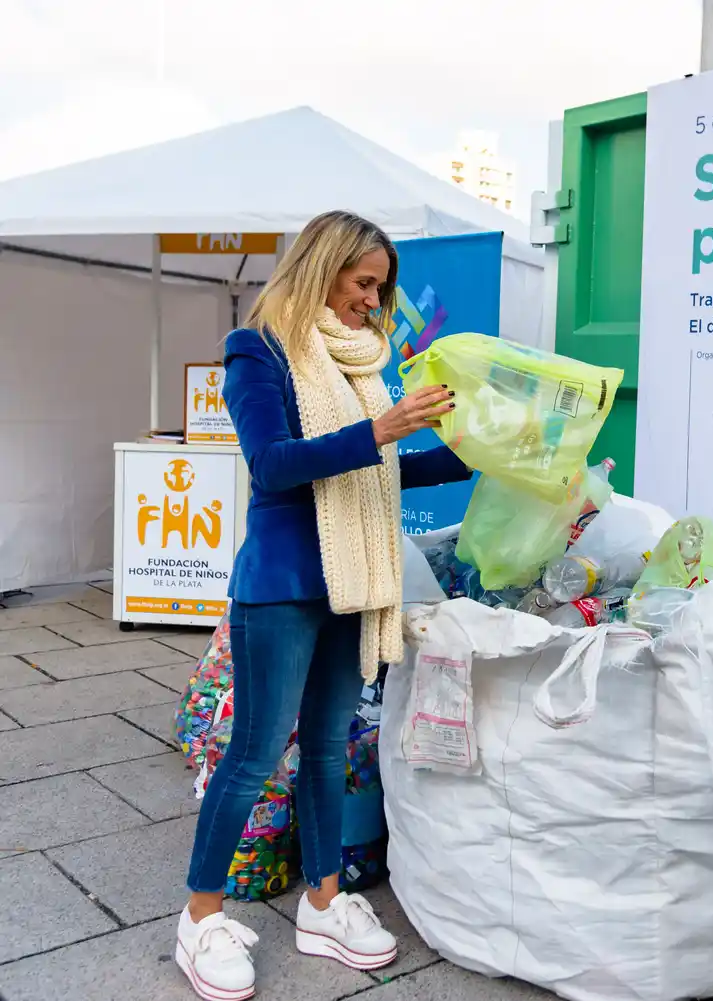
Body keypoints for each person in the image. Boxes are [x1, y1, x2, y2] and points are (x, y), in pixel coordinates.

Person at [175, 211, 472, 1001]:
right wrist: (381, 429)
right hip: (282, 583)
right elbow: (273, 466)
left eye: (381, 287)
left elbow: (375, 475)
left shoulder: (363, 365)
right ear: (322, 268)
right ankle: (200, 916)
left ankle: (324, 902)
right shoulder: (258, 349)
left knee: (329, 750)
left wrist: (476, 452)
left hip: (356, 582)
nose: (371, 301)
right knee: (254, 751)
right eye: (362, 282)